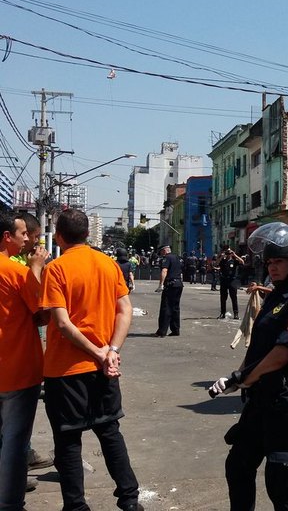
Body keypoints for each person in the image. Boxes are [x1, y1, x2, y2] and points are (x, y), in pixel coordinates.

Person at [209, 222, 288, 510]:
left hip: (287, 403)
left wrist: (242, 377)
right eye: (270, 262)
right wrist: (240, 377)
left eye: (280, 262)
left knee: (282, 483)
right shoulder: (278, 294)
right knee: (238, 465)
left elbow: (282, 352)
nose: (272, 268)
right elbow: (258, 349)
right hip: (261, 399)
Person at [39, 209, 143, 511]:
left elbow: (60, 323)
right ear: (86, 233)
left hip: (65, 370)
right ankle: (130, 500)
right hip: (103, 368)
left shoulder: (56, 269)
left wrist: (101, 352)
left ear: (59, 236)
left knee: (69, 440)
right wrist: (112, 351)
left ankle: (76, 506)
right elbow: (124, 309)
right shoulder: (108, 265)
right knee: (109, 432)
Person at [0, 211, 48, 509]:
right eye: (23, 234)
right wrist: (37, 269)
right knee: (15, 445)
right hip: (17, 370)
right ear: (7, 237)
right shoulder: (15, 273)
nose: (28, 239)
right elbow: (41, 311)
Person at [154, 244, 184, 337]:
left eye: (161, 252)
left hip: (170, 284)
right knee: (175, 308)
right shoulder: (178, 258)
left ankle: (162, 331)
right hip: (179, 284)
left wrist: (161, 284)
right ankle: (175, 330)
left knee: (166, 307)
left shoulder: (166, 258)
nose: (161, 254)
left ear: (164, 251)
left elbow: (164, 271)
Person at [218, 246, 245, 319]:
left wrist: (235, 255)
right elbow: (217, 264)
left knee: (234, 297)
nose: (228, 255)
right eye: (227, 253)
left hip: (232, 280)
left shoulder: (234, 261)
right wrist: (221, 256)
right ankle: (222, 313)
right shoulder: (223, 261)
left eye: (229, 253)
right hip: (224, 280)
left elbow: (242, 262)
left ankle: (236, 313)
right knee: (223, 297)